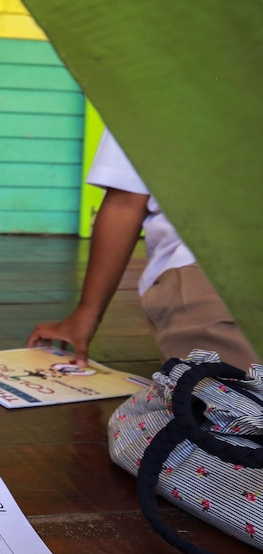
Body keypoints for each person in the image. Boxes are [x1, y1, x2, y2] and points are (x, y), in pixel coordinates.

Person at [28, 129, 259, 372]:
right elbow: (125, 201)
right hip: (207, 263)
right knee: (242, 388)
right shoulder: (147, 101)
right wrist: (89, 310)